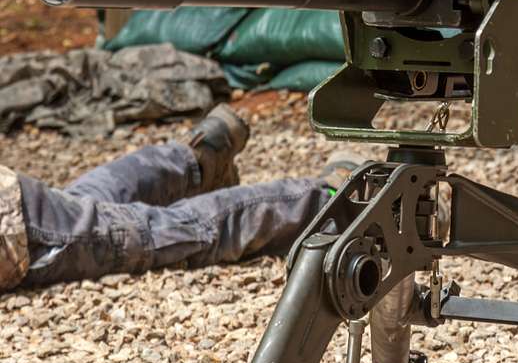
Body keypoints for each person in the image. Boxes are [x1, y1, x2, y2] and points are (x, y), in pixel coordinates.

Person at [0, 104, 346, 291]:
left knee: (159, 232)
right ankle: (202, 154)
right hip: (13, 201)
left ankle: (328, 199)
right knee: (87, 209)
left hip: (14, 228)